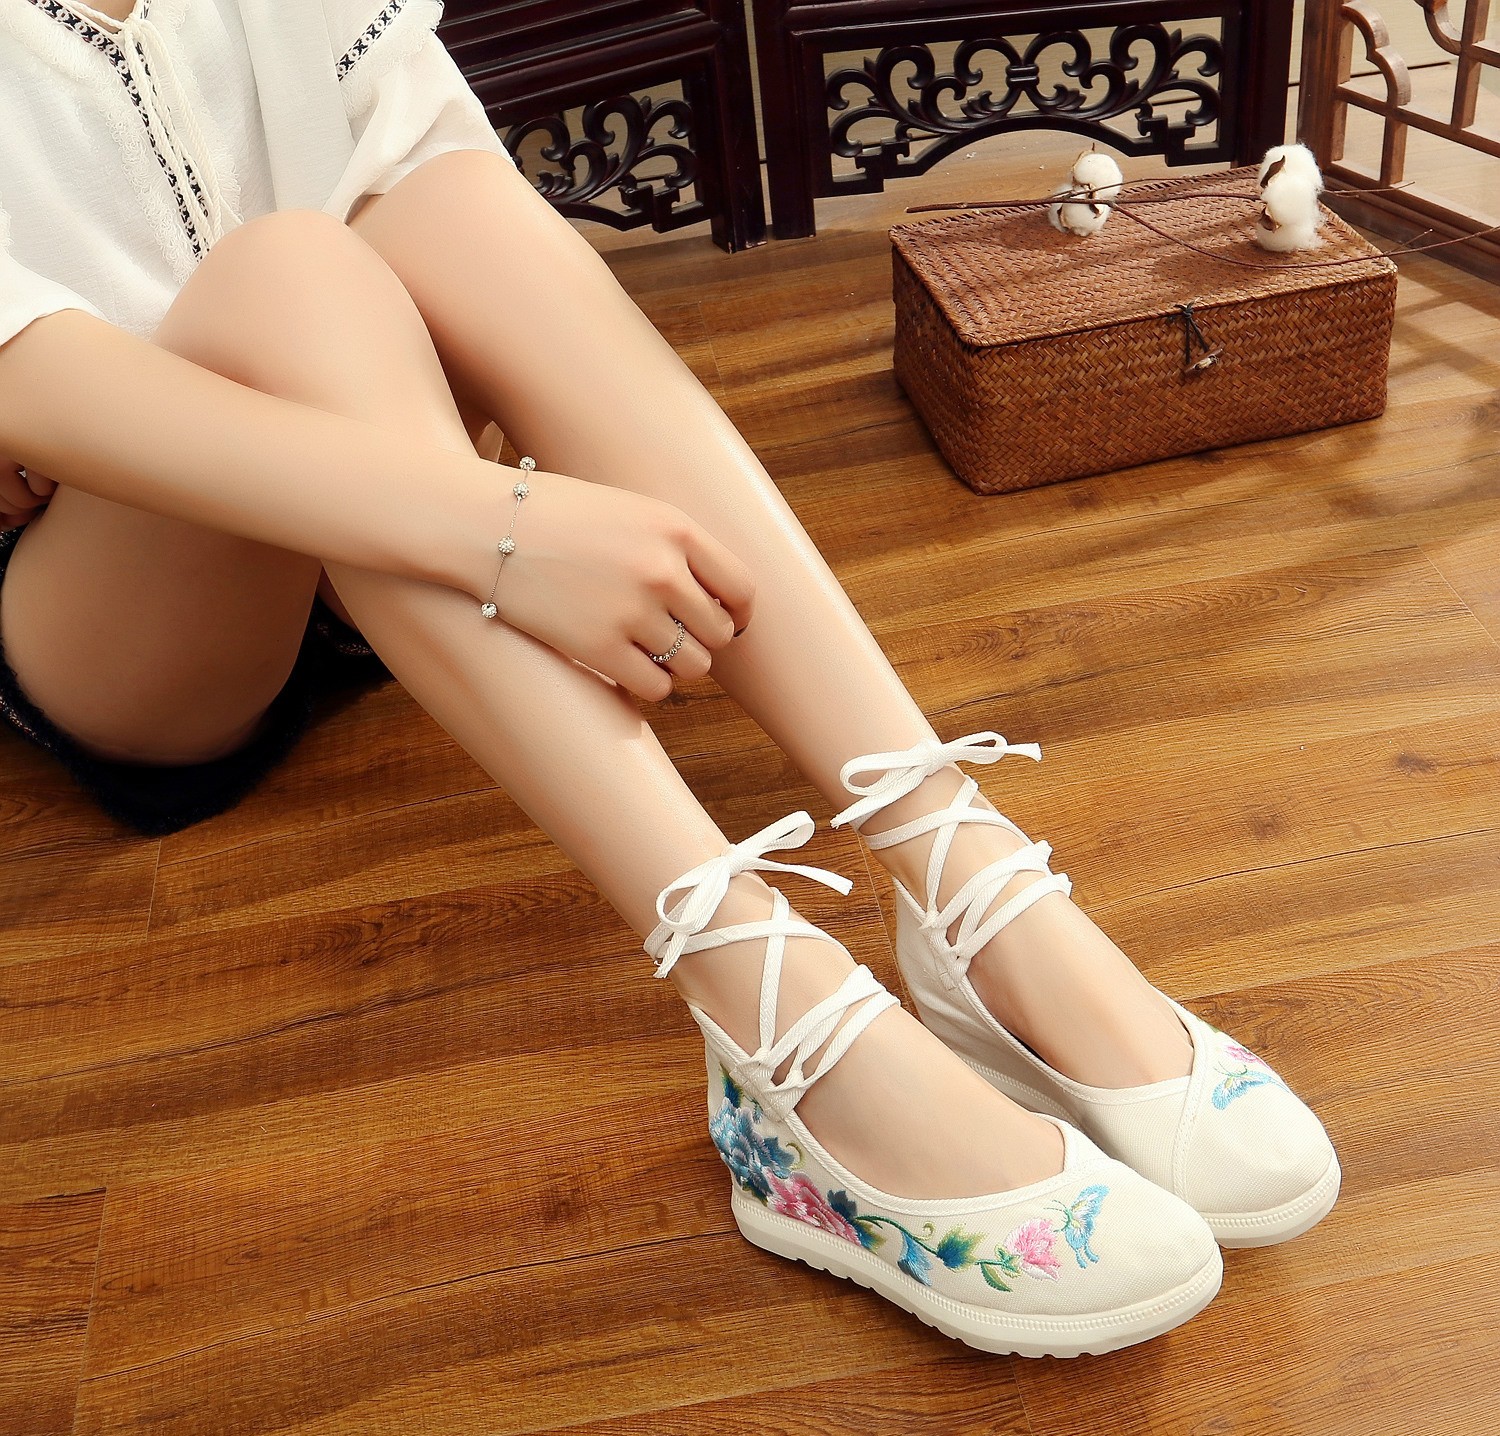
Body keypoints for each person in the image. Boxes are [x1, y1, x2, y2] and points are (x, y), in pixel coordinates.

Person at [0, 0, 1338, 1358]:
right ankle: (768, 1008)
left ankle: (958, 867)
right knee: (279, 271)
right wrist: (507, 527)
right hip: (145, 605)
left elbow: (417, 174)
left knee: (441, 202)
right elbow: (30, 377)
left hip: (403, 531)